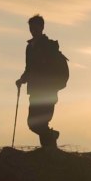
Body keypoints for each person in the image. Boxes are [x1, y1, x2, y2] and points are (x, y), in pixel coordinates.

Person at [15, 14, 62, 148]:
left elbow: (47, 68)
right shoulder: (30, 47)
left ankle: (49, 150)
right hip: (35, 91)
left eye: (35, 27)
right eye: (31, 27)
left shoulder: (48, 46)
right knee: (33, 123)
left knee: (41, 122)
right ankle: (50, 143)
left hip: (48, 90)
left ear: (42, 27)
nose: (32, 30)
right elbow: (29, 68)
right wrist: (22, 79)